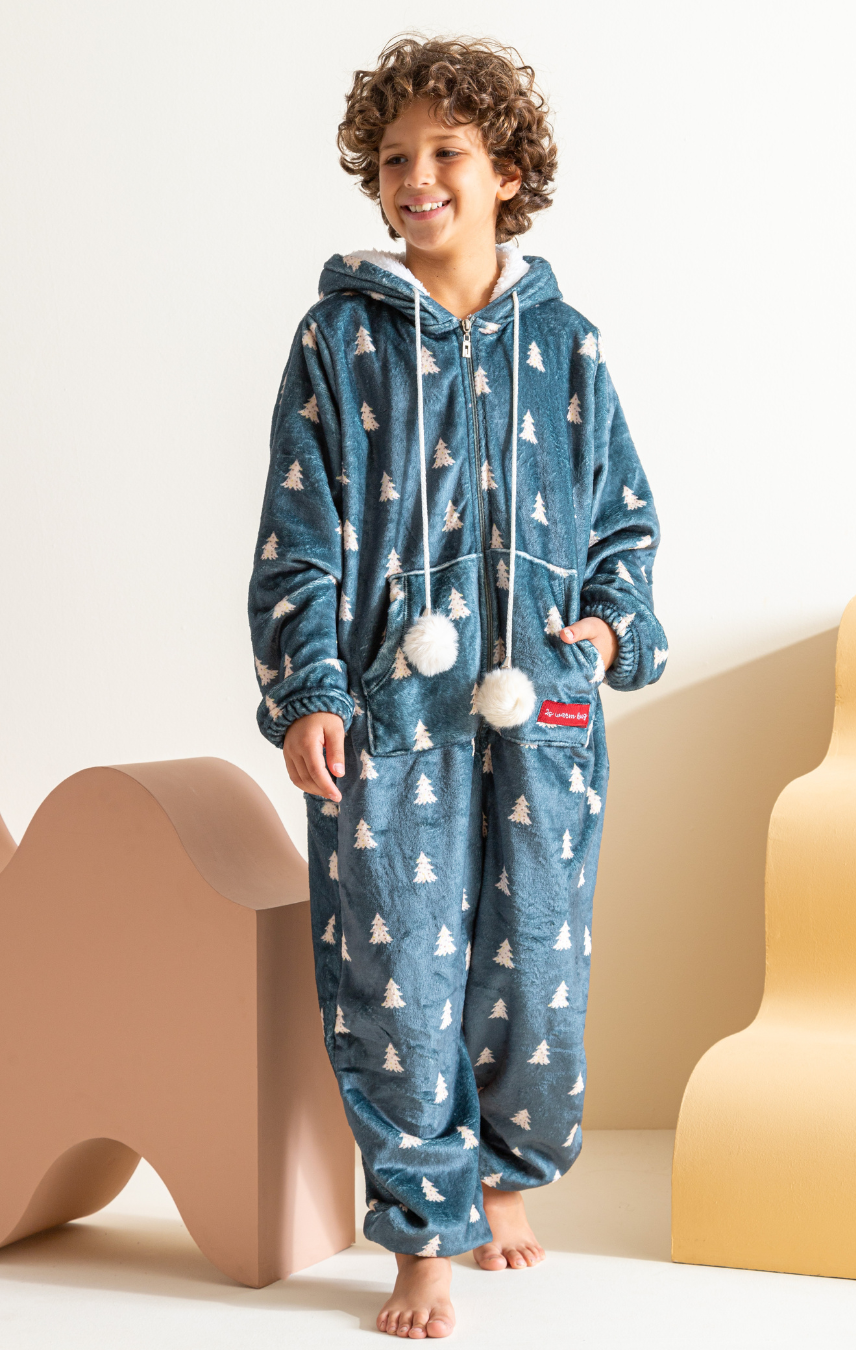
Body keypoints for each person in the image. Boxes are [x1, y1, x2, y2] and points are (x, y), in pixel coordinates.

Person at [248, 34, 667, 1339]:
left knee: (537, 957)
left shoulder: (569, 346)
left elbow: (624, 523)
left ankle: (503, 1174)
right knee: (397, 976)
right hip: (391, 714)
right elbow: (297, 532)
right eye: (393, 158)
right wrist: (310, 688)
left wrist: (607, 636)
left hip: (541, 712)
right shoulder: (338, 339)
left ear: (507, 173)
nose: (415, 176)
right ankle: (421, 1232)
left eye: (447, 152)